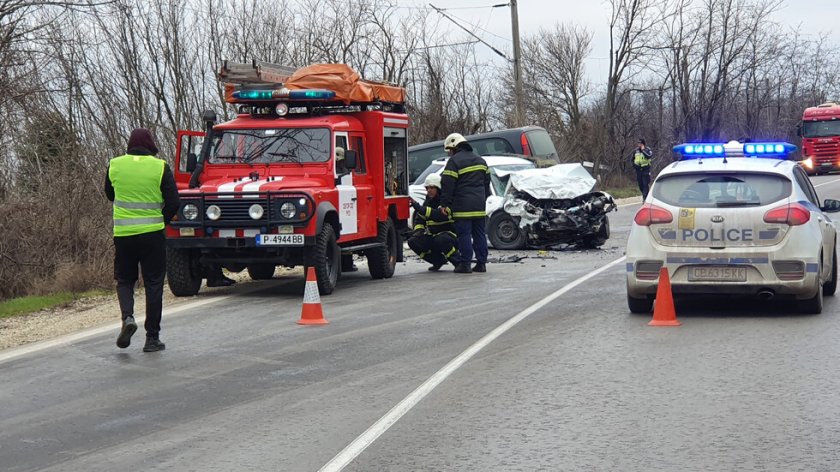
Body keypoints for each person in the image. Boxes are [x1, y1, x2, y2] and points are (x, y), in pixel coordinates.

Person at [105, 128, 179, 352]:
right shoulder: (160, 166)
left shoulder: (115, 164)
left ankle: (128, 317)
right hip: (152, 235)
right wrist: (161, 220)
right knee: (154, 283)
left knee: (125, 280)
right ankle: (152, 338)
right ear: (150, 144)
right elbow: (174, 202)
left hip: (124, 235)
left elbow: (110, 194)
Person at [439, 133, 491, 274]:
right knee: (479, 234)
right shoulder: (481, 160)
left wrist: (444, 204)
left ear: (455, 147)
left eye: (450, 150)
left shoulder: (454, 162)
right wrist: (483, 198)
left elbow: (447, 184)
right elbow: (487, 183)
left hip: (462, 206)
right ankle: (481, 263)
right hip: (479, 205)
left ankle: (466, 264)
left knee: (464, 235)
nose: (449, 153)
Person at [408, 174, 460, 271]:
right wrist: (418, 231)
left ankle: (458, 262)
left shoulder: (446, 202)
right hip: (434, 236)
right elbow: (420, 220)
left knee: (440, 239)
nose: (429, 190)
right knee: (413, 241)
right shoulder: (428, 202)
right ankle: (437, 261)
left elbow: (438, 215)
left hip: (451, 236)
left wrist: (419, 208)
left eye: (432, 188)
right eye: (427, 188)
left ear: (438, 189)